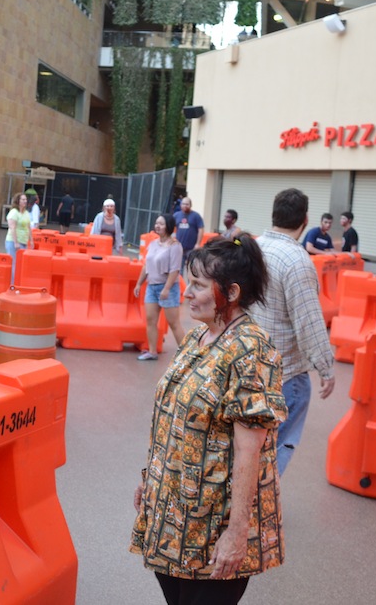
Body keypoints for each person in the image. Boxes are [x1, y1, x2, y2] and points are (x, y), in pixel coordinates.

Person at [131, 235, 287, 604]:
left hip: (213, 528)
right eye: (189, 282)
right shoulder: (198, 338)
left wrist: (237, 533)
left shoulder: (251, 350)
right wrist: (150, 480)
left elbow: (250, 451)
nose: (187, 293)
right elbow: (174, 416)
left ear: (231, 293)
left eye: (199, 285)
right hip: (175, 517)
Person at [254, 188, 335, 474]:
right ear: (305, 220)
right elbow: (308, 321)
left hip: (250, 366)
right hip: (285, 373)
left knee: (252, 445)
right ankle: (262, 497)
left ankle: (244, 494)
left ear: (274, 214)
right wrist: (325, 367)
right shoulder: (297, 261)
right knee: (277, 446)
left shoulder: (254, 248)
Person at [134, 214, 186, 360]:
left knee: (174, 323)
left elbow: (175, 270)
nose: (157, 226)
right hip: (152, 287)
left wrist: (167, 288)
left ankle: (187, 355)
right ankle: (152, 352)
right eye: (156, 223)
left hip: (168, 288)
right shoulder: (153, 244)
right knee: (150, 320)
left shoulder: (175, 246)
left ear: (168, 226)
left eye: (161, 224)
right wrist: (139, 283)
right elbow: (146, 265)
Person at [5, 192, 34, 284]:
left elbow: (28, 227)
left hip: (23, 241)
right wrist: (16, 242)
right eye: (23, 199)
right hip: (13, 242)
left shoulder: (26, 213)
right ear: (18, 201)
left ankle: (18, 283)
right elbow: (12, 227)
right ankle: (12, 284)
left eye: (26, 199)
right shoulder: (14, 212)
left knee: (20, 264)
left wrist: (31, 240)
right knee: (14, 263)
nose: (25, 201)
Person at [174, 196, 204, 267]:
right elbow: (172, 228)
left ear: (190, 205)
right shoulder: (176, 215)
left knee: (191, 267)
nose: (185, 206)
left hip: (191, 248)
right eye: (183, 204)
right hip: (179, 247)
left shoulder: (196, 216)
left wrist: (198, 244)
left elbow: (201, 229)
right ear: (180, 205)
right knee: (178, 268)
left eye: (187, 204)